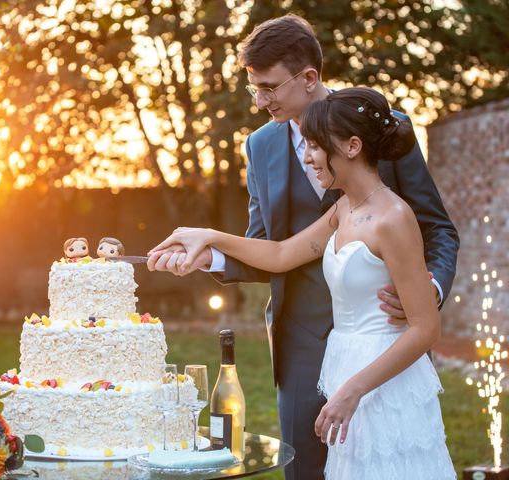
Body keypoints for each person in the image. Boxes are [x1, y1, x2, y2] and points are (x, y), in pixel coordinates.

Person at [147, 15, 459, 480]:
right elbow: (273, 251)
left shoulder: (379, 132)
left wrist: (424, 292)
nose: (259, 102)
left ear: (308, 77)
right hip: (303, 343)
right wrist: (206, 245)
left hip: (387, 340)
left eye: (269, 88)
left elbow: (438, 229)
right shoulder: (264, 149)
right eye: (254, 88)